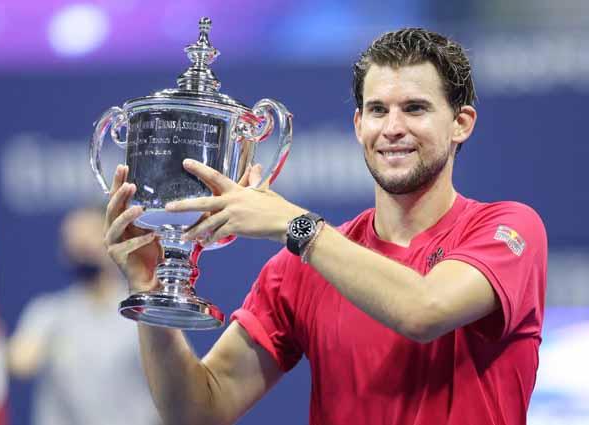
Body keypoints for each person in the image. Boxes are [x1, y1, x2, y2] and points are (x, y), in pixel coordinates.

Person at [103, 28, 547, 425]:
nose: (393, 128)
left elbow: (424, 310)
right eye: (377, 110)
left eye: (414, 108)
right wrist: (153, 292)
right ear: (358, 126)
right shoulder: (300, 268)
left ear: (460, 124)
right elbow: (197, 411)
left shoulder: (508, 229)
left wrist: (296, 226)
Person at [9, 207, 160, 425]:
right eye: (71, 239)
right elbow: (20, 362)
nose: (80, 245)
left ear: (114, 240)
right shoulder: (48, 312)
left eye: (89, 236)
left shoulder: (144, 312)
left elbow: (176, 385)